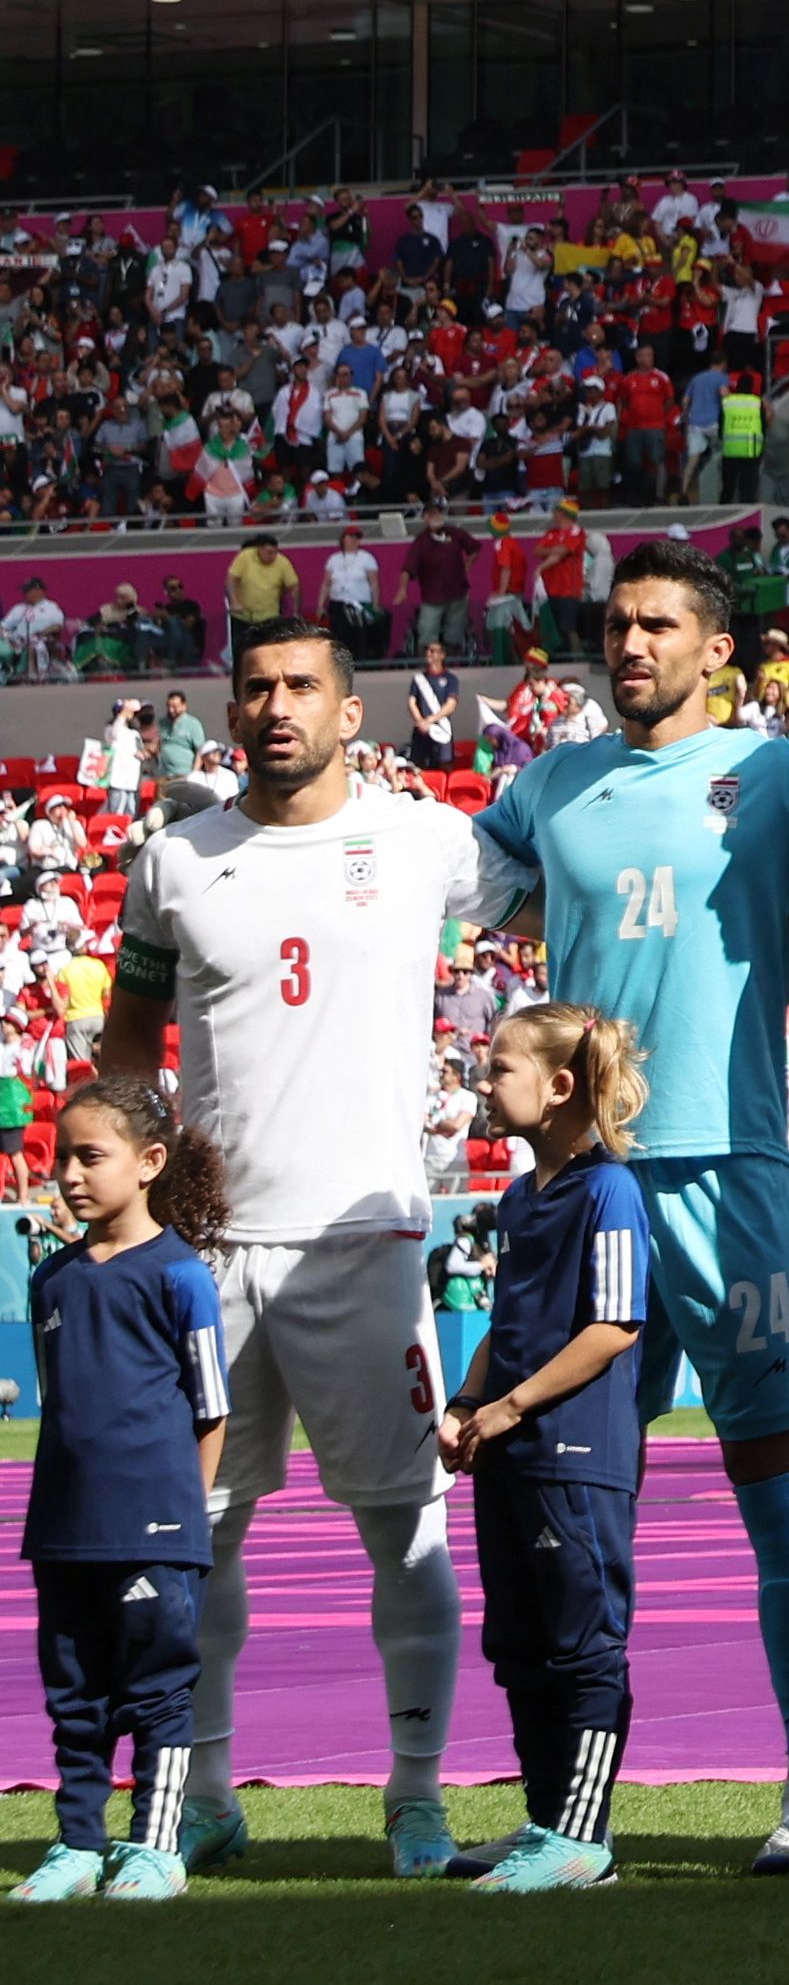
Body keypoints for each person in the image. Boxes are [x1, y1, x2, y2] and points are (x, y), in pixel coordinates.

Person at [464, 539, 789, 1875]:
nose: (630, 645)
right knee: (582, 1496)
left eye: (657, 625)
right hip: (587, 1181)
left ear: (714, 648)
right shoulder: (549, 786)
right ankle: (572, 1810)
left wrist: (785, 979)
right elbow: (488, 897)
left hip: (727, 1164)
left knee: (773, 1478)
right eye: (616, 625)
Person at [97, 618, 484, 1880]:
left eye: (301, 686)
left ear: (350, 711)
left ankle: (417, 1800)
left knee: (406, 1532)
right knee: (194, 1536)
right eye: (255, 686)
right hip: (204, 1257)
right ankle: (204, 1796)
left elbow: (562, 887)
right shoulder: (175, 857)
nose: (276, 706)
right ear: (230, 706)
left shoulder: (426, 839)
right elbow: (128, 1045)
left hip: (358, 1244)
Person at [436, 1006, 651, 1894]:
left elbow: (614, 1325)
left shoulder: (610, 1191)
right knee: (520, 1643)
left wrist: (513, 1406)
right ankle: (545, 1819)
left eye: (498, 1069)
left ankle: (584, 1837)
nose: (484, 1085)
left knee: (583, 1644)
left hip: (572, 1454)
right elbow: (508, 1323)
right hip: (512, 1453)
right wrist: (464, 1403)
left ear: (560, 1086)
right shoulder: (522, 1196)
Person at [15, 1077, 231, 1906]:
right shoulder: (53, 1279)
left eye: (89, 1155)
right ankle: (76, 1842)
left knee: (158, 1689)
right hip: (66, 1527)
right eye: (62, 1155)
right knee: (74, 1695)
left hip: (155, 1528)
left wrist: (187, 1516)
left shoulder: (179, 1274)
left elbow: (211, 1407)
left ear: (149, 1162)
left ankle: (154, 1843)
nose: (68, 1172)